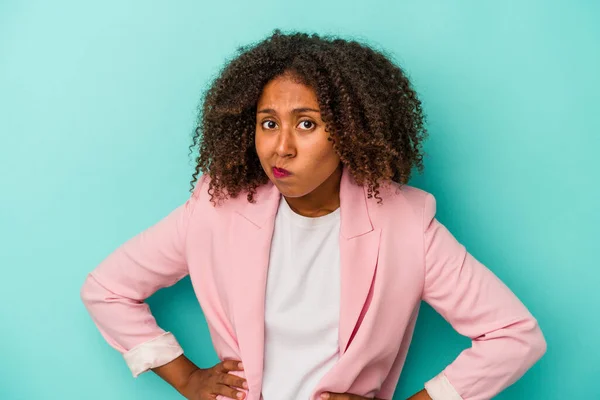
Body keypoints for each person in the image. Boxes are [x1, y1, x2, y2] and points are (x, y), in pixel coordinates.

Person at [80, 29, 546, 400]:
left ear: (350, 131)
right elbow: (107, 290)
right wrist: (186, 378)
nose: (281, 147)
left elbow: (513, 335)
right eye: (269, 123)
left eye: (307, 124)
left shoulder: (407, 225)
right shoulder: (215, 208)